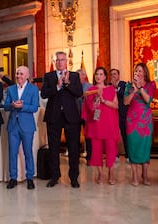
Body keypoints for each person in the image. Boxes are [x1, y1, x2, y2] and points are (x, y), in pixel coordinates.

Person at [41, 51, 83, 188]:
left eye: (62, 59)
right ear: (54, 62)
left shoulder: (75, 76)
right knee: (53, 148)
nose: (60, 62)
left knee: (73, 149)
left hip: (71, 117)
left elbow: (79, 93)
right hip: (54, 116)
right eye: (57, 60)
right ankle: (54, 176)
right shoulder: (48, 76)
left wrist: (68, 83)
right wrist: (58, 86)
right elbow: (44, 94)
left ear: (67, 61)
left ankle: (74, 178)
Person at [82, 67, 120, 184]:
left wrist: (103, 100)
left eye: (101, 74)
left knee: (110, 149)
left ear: (104, 77)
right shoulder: (91, 90)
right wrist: (96, 100)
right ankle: (100, 173)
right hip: (96, 123)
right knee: (96, 150)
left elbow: (116, 105)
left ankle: (111, 173)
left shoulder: (110, 89)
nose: (98, 76)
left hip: (109, 123)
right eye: (96, 74)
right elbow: (90, 109)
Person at [3, 66, 39, 190]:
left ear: (27, 75)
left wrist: (22, 107)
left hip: (27, 126)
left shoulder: (34, 89)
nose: (18, 76)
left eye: (21, 74)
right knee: (12, 153)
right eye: (17, 73)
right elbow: (6, 106)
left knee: (28, 152)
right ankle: (13, 178)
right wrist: (13, 106)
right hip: (13, 125)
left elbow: (34, 107)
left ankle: (30, 178)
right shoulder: (11, 89)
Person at [124, 62, 155, 186]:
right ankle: (135, 176)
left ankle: (145, 175)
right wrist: (133, 90)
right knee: (133, 147)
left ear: (145, 73)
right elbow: (126, 102)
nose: (137, 73)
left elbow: (148, 100)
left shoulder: (151, 84)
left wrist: (140, 88)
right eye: (136, 70)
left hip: (145, 121)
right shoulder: (128, 86)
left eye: (140, 71)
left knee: (145, 148)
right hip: (132, 122)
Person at [110, 68, 129, 162]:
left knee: (125, 134)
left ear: (118, 75)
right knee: (113, 135)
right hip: (112, 114)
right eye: (111, 74)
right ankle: (115, 155)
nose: (113, 76)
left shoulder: (124, 84)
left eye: (115, 74)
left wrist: (115, 88)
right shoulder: (108, 86)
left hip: (122, 114)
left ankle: (128, 155)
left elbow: (124, 94)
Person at [77, 68, 92, 161]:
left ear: (84, 76)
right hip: (76, 115)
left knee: (88, 136)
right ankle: (76, 156)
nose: (78, 78)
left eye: (79, 75)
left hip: (87, 115)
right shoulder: (72, 86)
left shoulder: (90, 86)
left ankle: (90, 157)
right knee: (75, 136)